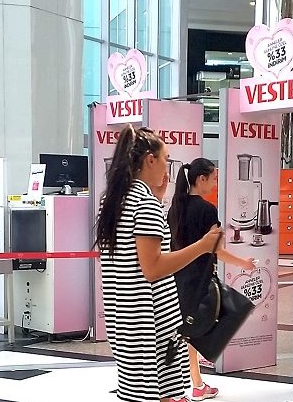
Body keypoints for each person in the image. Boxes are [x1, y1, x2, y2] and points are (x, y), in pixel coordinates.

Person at [94, 125, 222, 402]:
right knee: (161, 392)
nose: (167, 166)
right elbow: (152, 268)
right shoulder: (145, 204)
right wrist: (202, 247)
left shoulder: (115, 201)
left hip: (124, 316)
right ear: (150, 160)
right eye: (165, 158)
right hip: (152, 320)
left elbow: (130, 258)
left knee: (139, 392)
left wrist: (159, 200)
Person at [167, 158, 256, 401]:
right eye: (214, 179)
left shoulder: (175, 208)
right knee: (205, 325)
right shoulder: (207, 210)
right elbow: (215, 249)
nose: (215, 184)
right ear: (201, 179)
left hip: (178, 277)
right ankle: (194, 383)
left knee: (187, 330)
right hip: (201, 279)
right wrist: (243, 263)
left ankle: (195, 382)